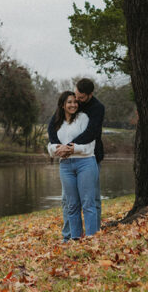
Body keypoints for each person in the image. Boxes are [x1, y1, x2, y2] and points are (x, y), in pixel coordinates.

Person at [48, 78, 105, 239]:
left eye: (80, 99)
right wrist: (58, 147)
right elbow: (52, 129)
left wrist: (71, 146)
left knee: (91, 199)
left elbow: (91, 134)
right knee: (69, 201)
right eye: (74, 98)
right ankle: (70, 236)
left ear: (89, 95)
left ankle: (94, 235)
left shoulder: (96, 109)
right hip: (67, 161)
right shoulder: (66, 109)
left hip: (90, 156)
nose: (76, 102)